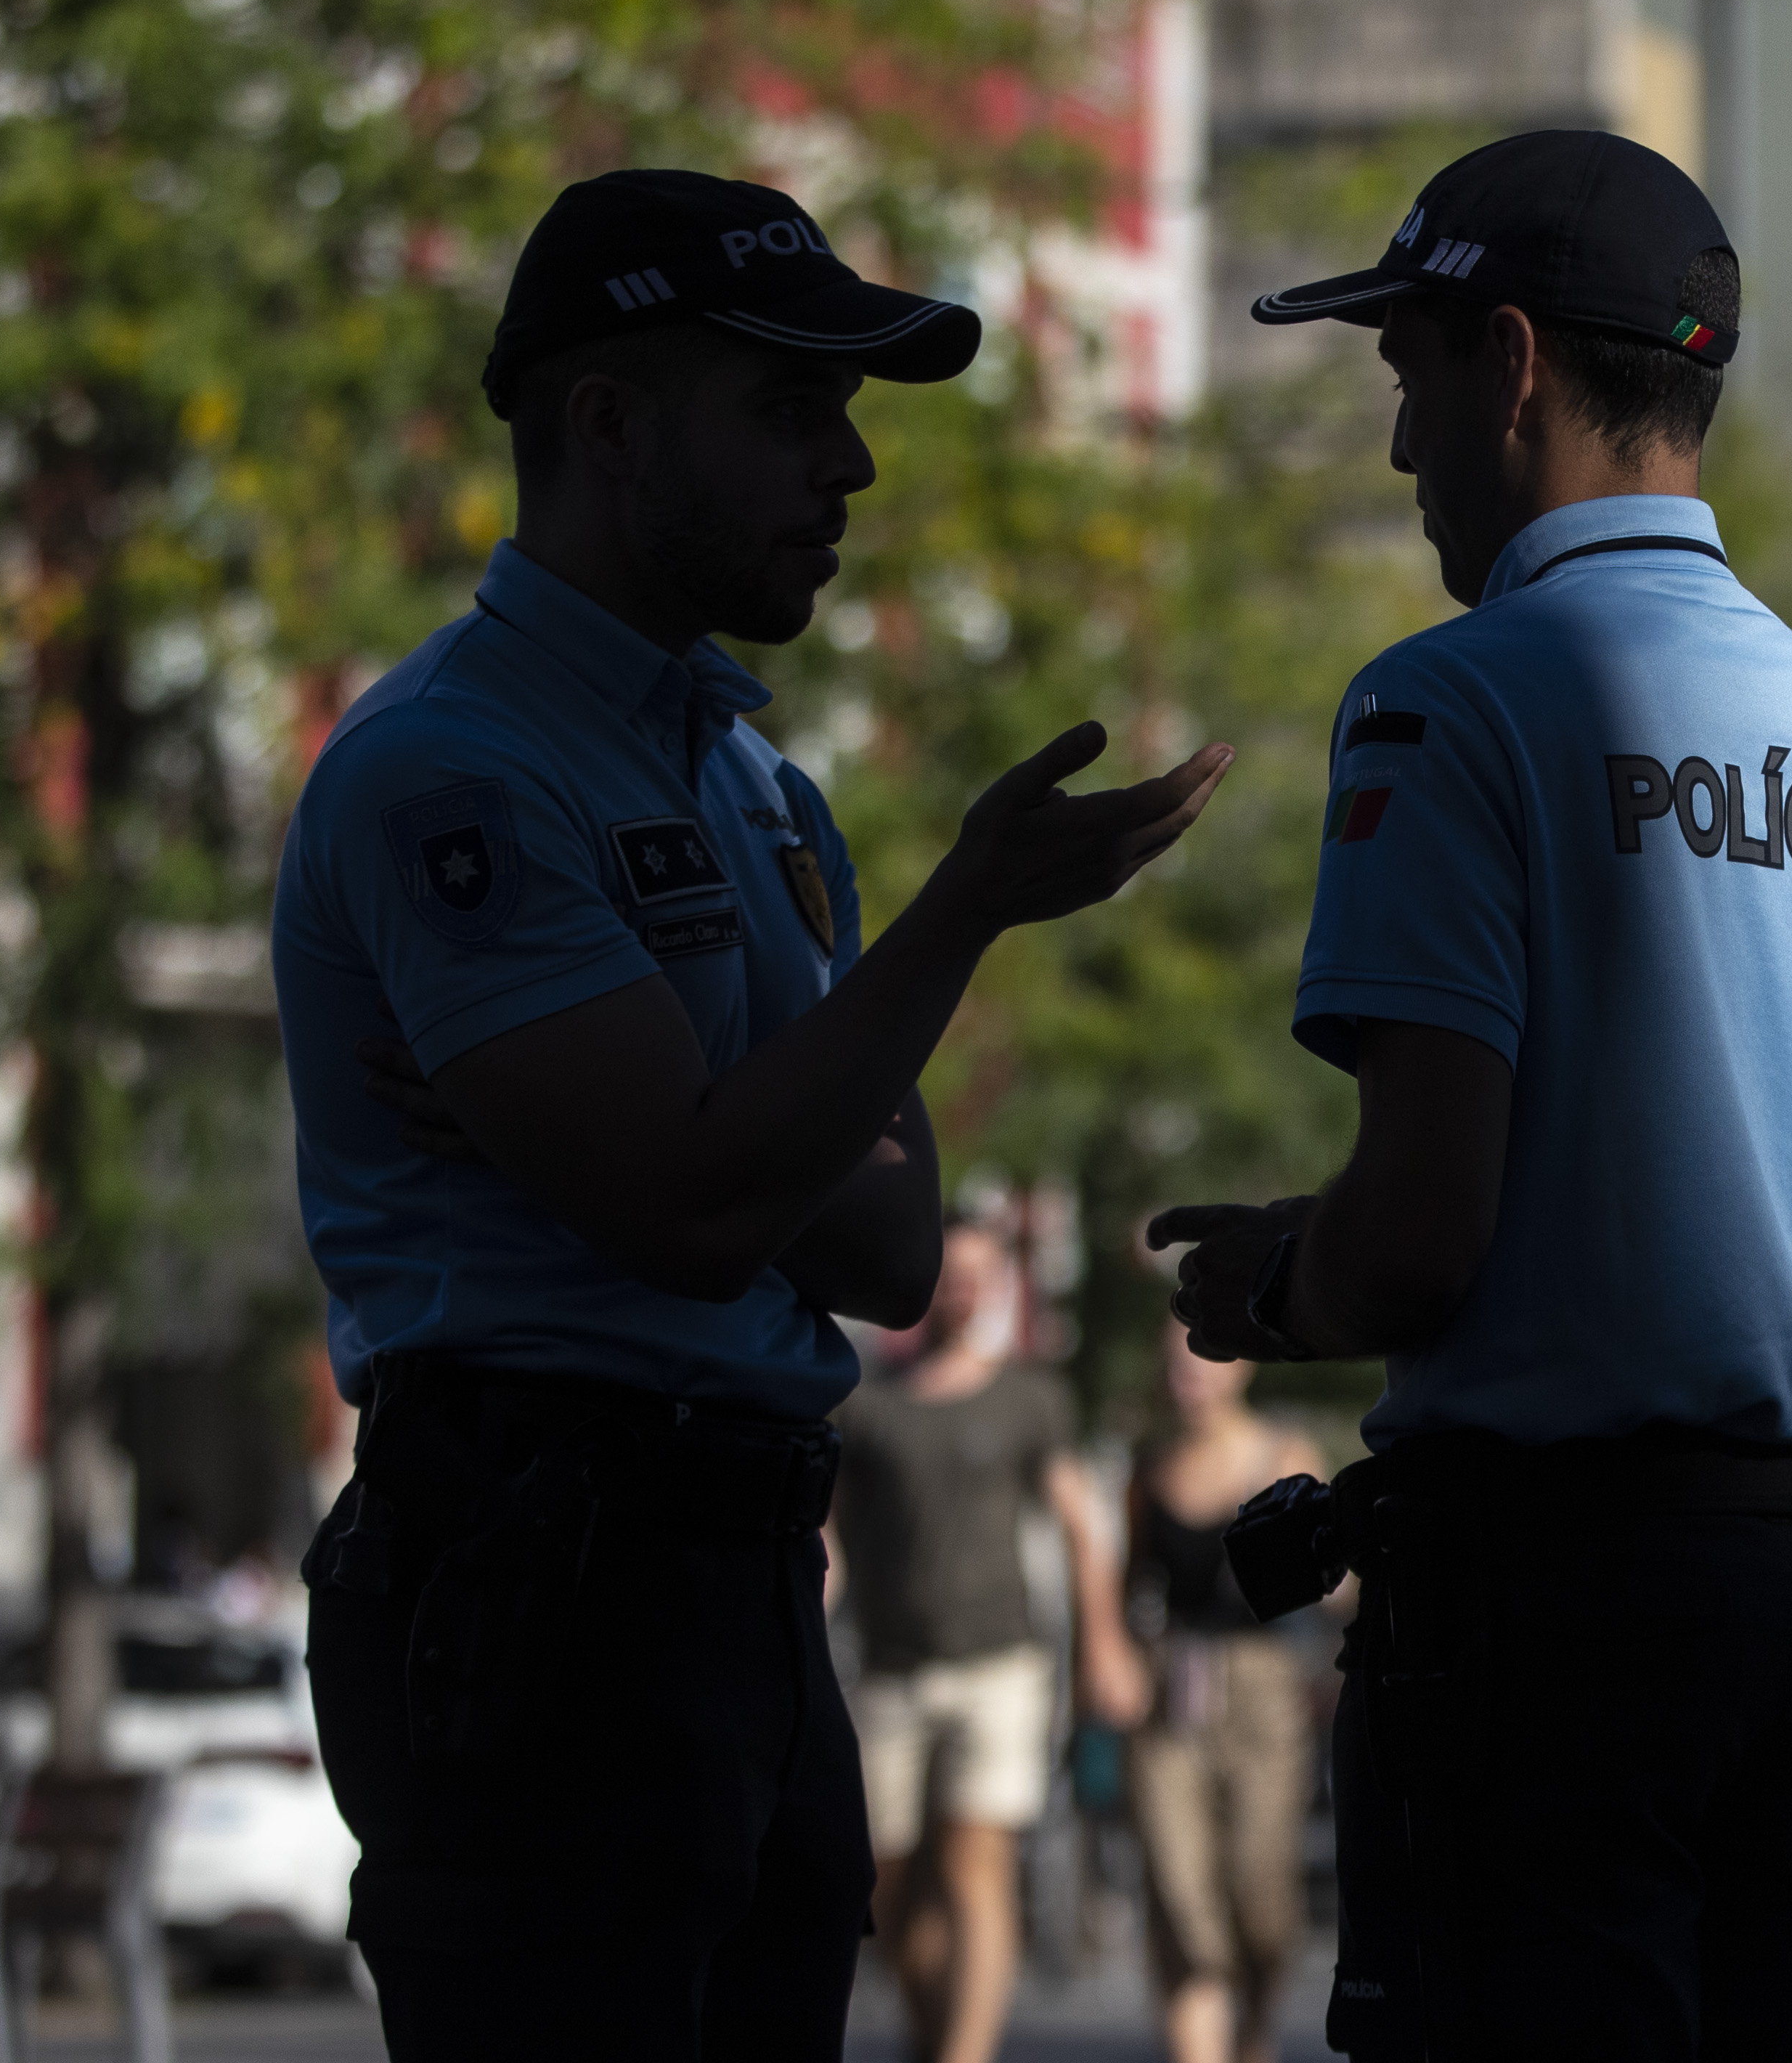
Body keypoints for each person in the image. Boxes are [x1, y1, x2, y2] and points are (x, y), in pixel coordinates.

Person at [273, 167, 1230, 2060]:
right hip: (537, 1575)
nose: (850, 468)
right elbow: (709, 1208)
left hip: (739, 1589)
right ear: (610, 427)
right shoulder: (449, 766)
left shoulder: (754, 784)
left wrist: (724, 1114)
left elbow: (886, 1248)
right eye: (791, 410)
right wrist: (949, 921)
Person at [1148, 129, 1792, 2061]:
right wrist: (1737, 1288)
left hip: (1550, 1620)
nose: (1399, 453)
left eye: (1408, 378)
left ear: (1516, 362)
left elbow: (1417, 1237)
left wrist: (1278, 1288)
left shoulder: (1450, 700)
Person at [831, 1216, 1137, 2063]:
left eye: (979, 1275)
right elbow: (830, 1533)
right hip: (891, 1668)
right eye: (950, 1274)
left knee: (976, 1861)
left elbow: (1083, 1525)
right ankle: (936, 2036)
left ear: (998, 1288)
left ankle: (965, 2052)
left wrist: (1105, 1642)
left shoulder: (1028, 1395)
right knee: (892, 1882)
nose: (963, 1290)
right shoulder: (868, 1398)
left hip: (999, 1664)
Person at [1120, 1321, 1329, 2063]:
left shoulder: (1284, 1455)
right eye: (1176, 1365)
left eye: (1204, 1362)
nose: (1191, 1378)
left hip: (1265, 1688)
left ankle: (1254, 2024)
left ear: (1239, 1368)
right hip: (1171, 1685)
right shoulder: (1148, 1470)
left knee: (1260, 1891)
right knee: (1180, 1889)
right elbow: (1127, 1582)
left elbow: (1336, 1583)